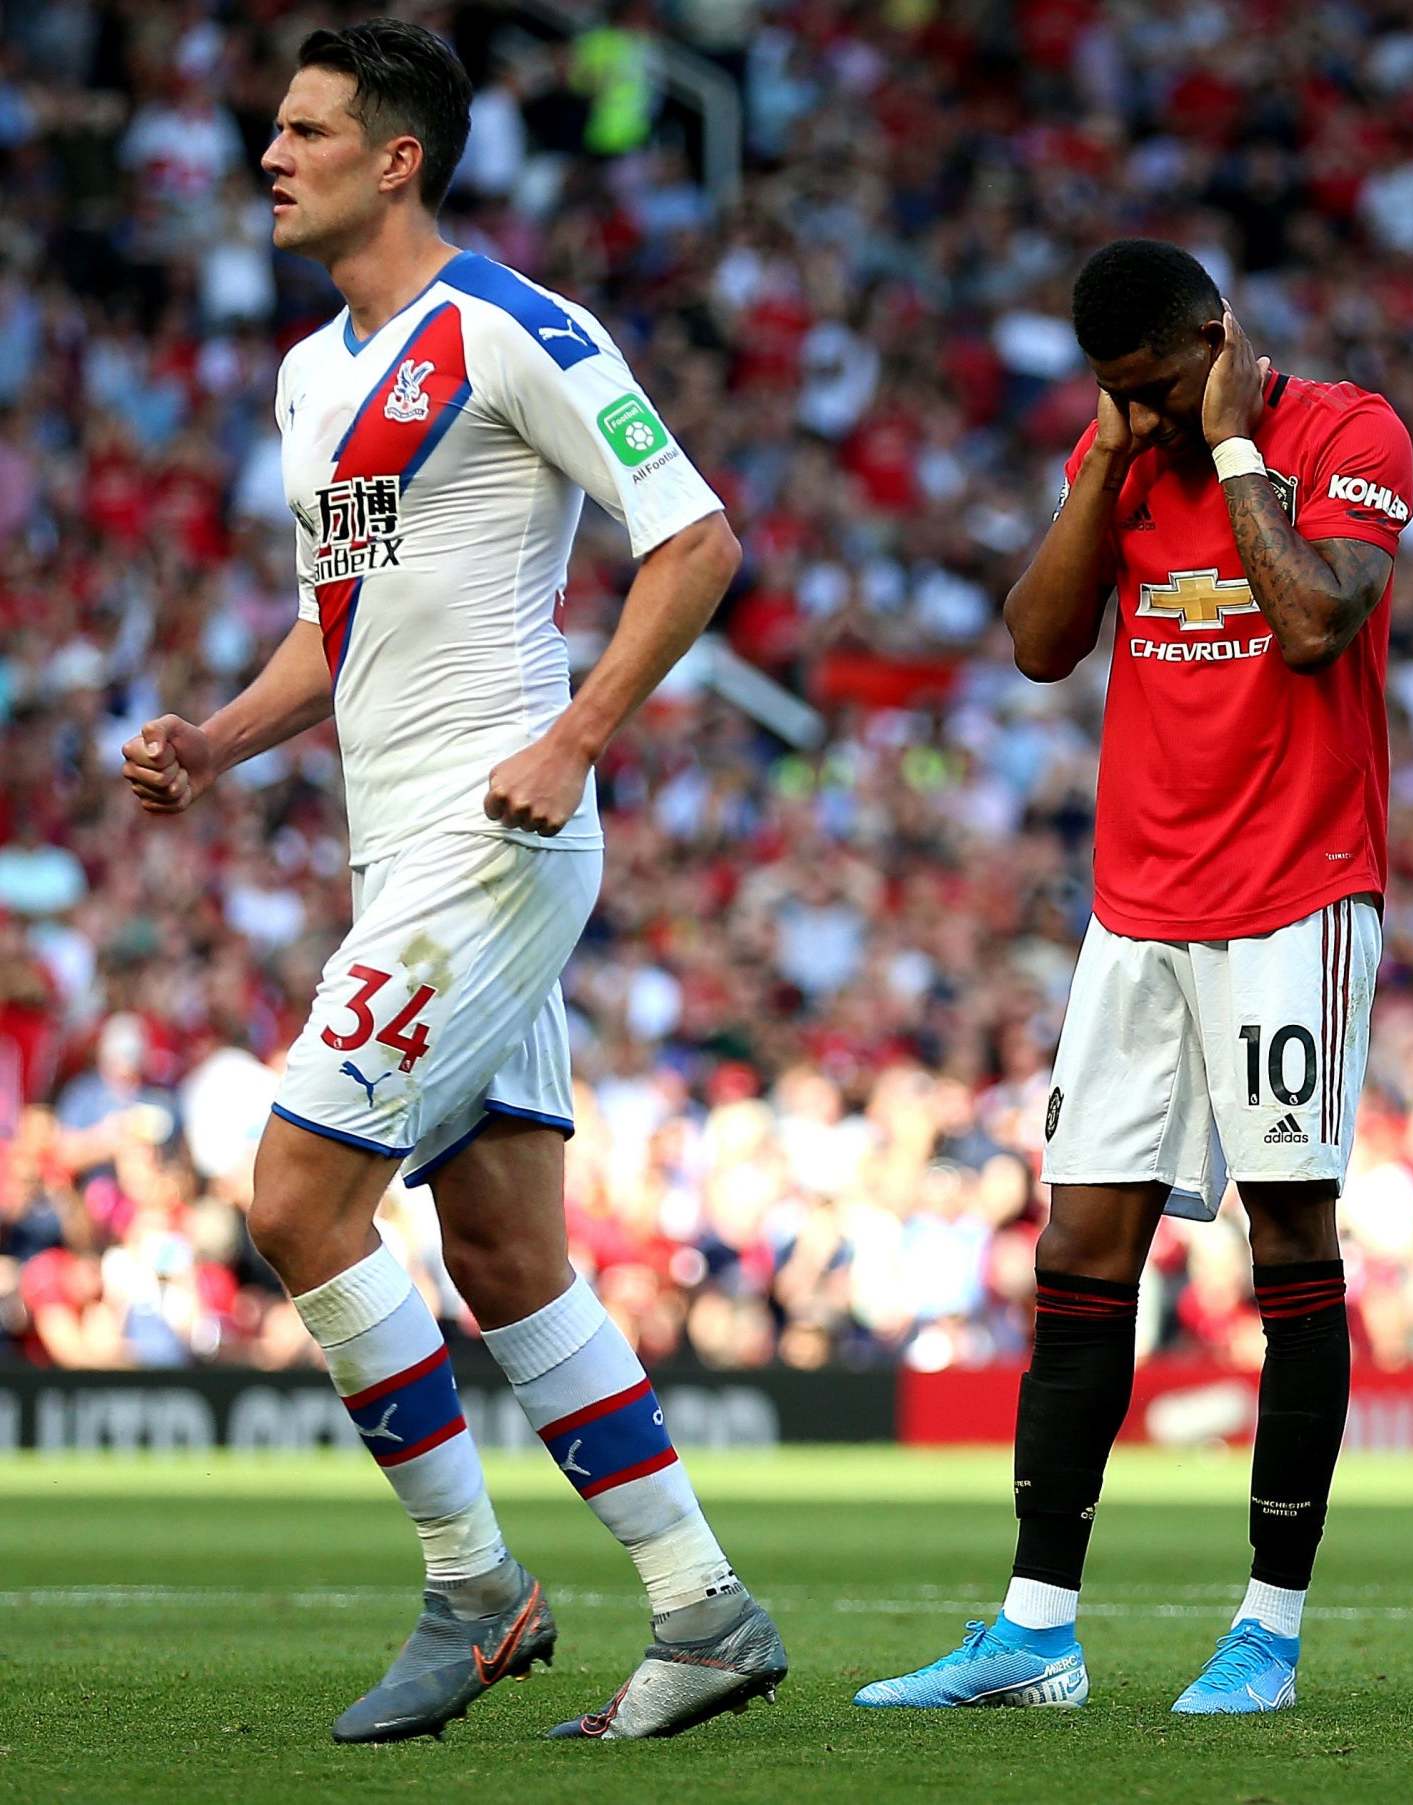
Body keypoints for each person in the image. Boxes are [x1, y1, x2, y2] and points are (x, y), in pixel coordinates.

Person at [118, 20, 782, 1743]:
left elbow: (693, 534)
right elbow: (336, 623)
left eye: (305, 130)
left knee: (293, 1200)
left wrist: (573, 738)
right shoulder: (308, 376)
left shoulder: (510, 328)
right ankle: (702, 1607)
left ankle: (476, 1588)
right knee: (500, 1248)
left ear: (396, 157)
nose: (271, 155)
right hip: (398, 845)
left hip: (491, 838)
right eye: (272, 127)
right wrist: (218, 742)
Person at [855, 238, 1413, 1716]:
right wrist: (1109, 460)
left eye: (1153, 384)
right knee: (1076, 1254)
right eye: (1114, 392)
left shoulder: (1347, 433)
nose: (1137, 411)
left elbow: (1310, 623)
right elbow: (1040, 644)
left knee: (1289, 1244)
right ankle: (1035, 1632)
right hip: (1137, 911)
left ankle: (1268, 1633)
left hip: (1296, 900)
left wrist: (1228, 444)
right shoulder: (1118, 453)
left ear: (1216, 343)